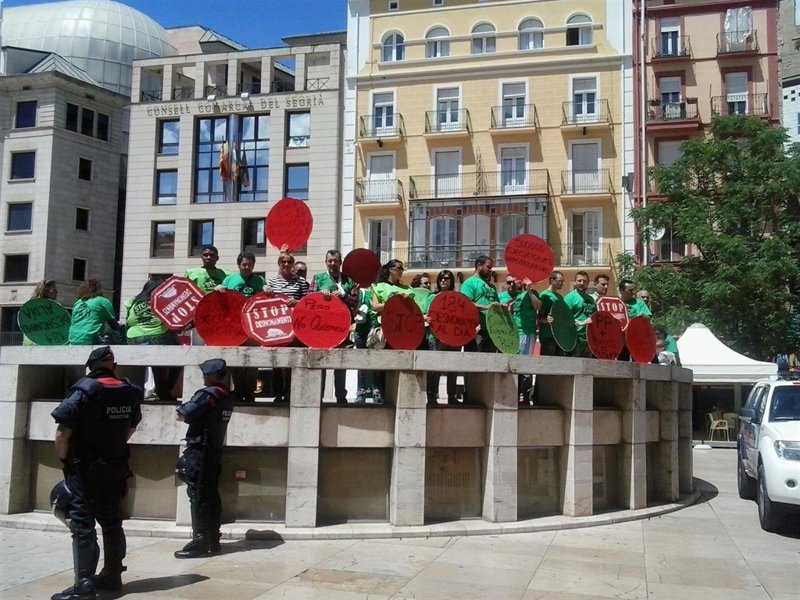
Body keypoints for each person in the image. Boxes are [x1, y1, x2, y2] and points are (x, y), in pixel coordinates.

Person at [50, 346, 142, 599]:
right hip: (115, 466)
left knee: (83, 524)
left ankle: (84, 585)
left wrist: (65, 460)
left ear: (90, 367)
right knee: (112, 522)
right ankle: (112, 576)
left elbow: (62, 432)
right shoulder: (129, 391)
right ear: (114, 365)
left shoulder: (85, 390)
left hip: (85, 468)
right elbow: (131, 428)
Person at [174, 358, 234, 558]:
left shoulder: (208, 394)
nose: (204, 378)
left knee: (197, 494)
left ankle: (199, 541)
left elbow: (182, 414)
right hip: (214, 450)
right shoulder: (227, 396)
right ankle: (213, 538)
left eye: (206, 374)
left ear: (212, 375)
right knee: (211, 494)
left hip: (200, 450)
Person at [217, 252, 268, 401]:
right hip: (234, 326)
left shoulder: (260, 280)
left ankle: (250, 391)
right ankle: (239, 390)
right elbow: (220, 297)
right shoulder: (229, 279)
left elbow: (265, 300)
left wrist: (268, 290)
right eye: (244, 264)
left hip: (253, 327)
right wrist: (218, 288)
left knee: (252, 359)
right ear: (238, 265)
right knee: (236, 358)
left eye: (250, 264)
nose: (247, 267)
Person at [124, 276, 182, 401]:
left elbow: (128, 322)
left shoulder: (132, 302)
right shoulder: (164, 301)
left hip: (134, 338)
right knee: (179, 354)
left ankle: (141, 390)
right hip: (158, 337)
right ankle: (163, 389)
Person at [310, 250, 355, 403]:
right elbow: (309, 301)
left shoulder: (348, 280)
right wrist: (320, 295)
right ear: (326, 262)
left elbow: (356, 301)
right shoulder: (318, 278)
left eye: (335, 261)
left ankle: (341, 397)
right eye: (330, 261)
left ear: (340, 262)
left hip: (343, 327)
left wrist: (344, 295)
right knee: (320, 361)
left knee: (341, 361)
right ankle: (318, 397)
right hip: (322, 328)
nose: (332, 264)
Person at [264, 251, 310, 402]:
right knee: (277, 360)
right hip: (276, 326)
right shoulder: (271, 282)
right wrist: (265, 290)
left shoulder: (301, 282)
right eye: (283, 261)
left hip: (295, 326)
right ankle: (277, 393)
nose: (286, 264)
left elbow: (307, 302)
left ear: (293, 265)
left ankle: (290, 393)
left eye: (289, 262)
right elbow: (265, 303)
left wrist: (297, 302)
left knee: (292, 359)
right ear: (278, 263)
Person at [370, 259, 414, 404]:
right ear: (390, 269)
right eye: (398, 268)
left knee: (397, 363)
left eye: (402, 268)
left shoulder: (408, 289)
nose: (401, 271)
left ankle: (395, 395)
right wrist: (392, 302)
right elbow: (375, 306)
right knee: (381, 361)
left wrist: (405, 300)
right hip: (384, 328)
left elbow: (412, 308)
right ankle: (379, 391)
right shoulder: (378, 286)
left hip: (402, 330)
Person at [499, 275, 542, 401]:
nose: (512, 284)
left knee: (525, 366)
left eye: (515, 281)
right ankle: (514, 394)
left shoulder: (531, 293)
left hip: (526, 333)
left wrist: (529, 290)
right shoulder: (510, 296)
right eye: (510, 282)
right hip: (512, 334)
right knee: (513, 365)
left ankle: (525, 396)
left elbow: (538, 306)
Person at [424, 269, 462, 405]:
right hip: (435, 337)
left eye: (446, 278)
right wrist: (425, 318)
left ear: (451, 281)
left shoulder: (458, 298)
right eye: (441, 278)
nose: (443, 281)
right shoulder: (431, 297)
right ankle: (432, 397)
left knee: (453, 367)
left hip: (453, 338)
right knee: (434, 368)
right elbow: (424, 313)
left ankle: (451, 396)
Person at [460, 256, 503, 353]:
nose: (491, 270)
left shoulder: (492, 286)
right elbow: (466, 305)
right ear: (479, 266)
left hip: (492, 331)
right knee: (475, 360)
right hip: (476, 330)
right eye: (488, 267)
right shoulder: (469, 283)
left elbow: (496, 304)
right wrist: (487, 307)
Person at [68, 279, 123, 345]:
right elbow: (113, 325)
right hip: (90, 339)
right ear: (99, 289)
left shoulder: (78, 303)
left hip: (73, 339)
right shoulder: (103, 301)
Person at [564, 270, 597, 358]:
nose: (582, 283)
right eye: (579, 281)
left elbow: (595, 316)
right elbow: (564, 317)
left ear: (588, 283)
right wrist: (579, 323)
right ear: (575, 282)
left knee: (587, 365)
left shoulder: (590, 299)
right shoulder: (570, 297)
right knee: (574, 365)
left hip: (588, 340)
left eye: (584, 281)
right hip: (574, 339)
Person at [23, 279, 60, 345]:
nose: (57, 292)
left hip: (30, 343)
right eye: (53, 290)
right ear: (45, 290)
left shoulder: (31, 306)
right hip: (37, 344)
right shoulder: (39, 308)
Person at [538, 271, 566, 356]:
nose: (562, 283)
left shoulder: (560, 297)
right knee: (548, 362)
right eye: (560, 281)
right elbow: (538, 316)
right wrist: (545, 319)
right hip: (547, 336)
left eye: (563, 281)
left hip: (559, 336)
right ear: (552, 281)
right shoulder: (544, 296)